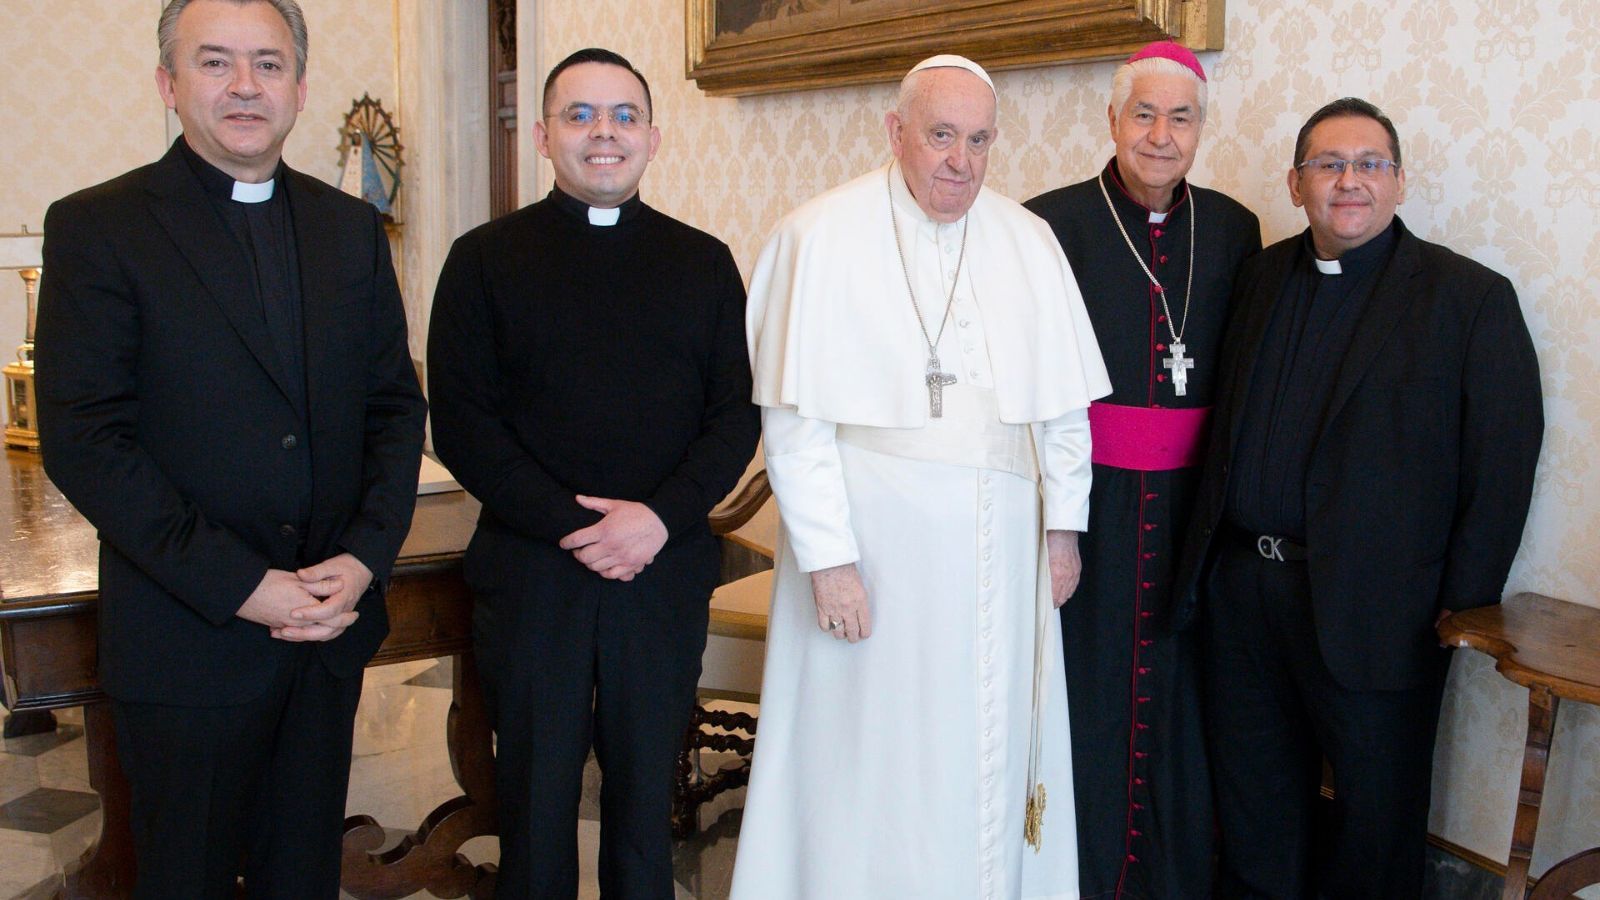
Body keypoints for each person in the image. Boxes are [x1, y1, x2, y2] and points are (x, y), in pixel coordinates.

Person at [33, 0, 427, 896]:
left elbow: (394, 410)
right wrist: (244, 585)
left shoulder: (349, 228)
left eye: (268, 64)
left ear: (299, 88)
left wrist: (363, 559)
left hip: (325, 633)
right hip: (188, 639)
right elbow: (87, 440)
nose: (245, 86)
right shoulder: (100, 227)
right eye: (215, 62)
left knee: (303, 877)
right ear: (168, 84)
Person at [730, 55, 1111, 900]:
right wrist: (829, 561)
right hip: (873, 556)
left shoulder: (1027, 240)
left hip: (999, 556)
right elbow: (794, 425)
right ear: (896, 132)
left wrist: (1064, 530)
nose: (960, 161)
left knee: (985, 748)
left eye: (979, 140)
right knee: (869, 757)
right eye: (941, 135)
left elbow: (1062, 413)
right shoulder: (818, 236)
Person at [1171, 97, 1543, 898]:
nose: (1349, 181)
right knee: (1254, 808)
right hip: (1243, 595)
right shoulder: (1259, 277)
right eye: (1328, 165)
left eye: (1370, 164)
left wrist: (1459, 606)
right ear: (1296, 183)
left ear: (1399, 182)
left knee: (1377, 824)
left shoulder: (1468, 298)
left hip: (1384, 612)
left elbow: (1503, 463)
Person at [427, 48, 759, 900]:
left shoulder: (704, 263)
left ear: (653, 137)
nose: (602, 133)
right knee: (534, 803)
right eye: (579, 115)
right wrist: (579, 529)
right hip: (534, 573)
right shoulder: (482, 260)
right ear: (543, 137)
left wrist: (656, 520)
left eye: (622, 116)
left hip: (662, 570)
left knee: (648, 806)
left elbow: (734, 418)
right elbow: (464, 424)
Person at [1023, 41, 1259, 899]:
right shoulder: (1049, 223)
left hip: (1194, 511)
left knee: (1184, 699)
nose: (1162, 135)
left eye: (1181, 117)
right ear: (1113, 120)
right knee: (1087, 690)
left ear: (1202, 128)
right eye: (1145, 114)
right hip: (1090, 503)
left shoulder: (1233, 228)